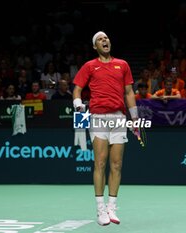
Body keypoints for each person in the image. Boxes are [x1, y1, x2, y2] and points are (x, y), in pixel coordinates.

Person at [72, 31, 138, 226]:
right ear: (95, 46)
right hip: (98, 117)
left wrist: (134, 118)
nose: (105, 40)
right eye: (100, 39)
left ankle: (112, 207)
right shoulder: (89, 66)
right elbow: (77, 88)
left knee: (116, 164)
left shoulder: (123, 64)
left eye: (107, 38)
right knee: (100, 163)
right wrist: (78, 104)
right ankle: (100, 209)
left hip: (118, 117)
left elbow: (129, 92)